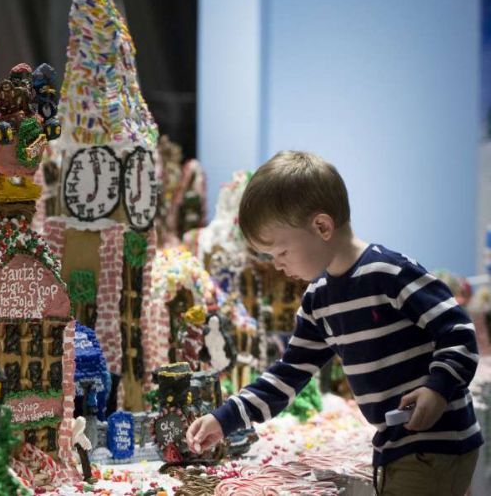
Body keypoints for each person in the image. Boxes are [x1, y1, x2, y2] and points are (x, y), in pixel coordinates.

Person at [186, 151, 483, 495]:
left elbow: (458, 330)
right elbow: (288, 373)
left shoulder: (389, 273)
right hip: (393, 446)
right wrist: (225, 420)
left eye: (281, 252)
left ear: (322, 227)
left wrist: (438, 388)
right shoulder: (318, 299)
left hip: (437, 443)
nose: (278, 266)